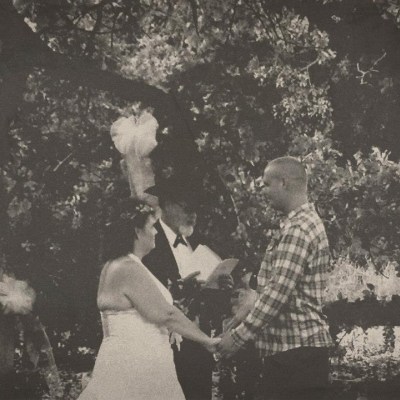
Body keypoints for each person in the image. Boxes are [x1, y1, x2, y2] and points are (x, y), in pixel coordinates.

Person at [78, 199, 220, 400]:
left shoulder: (120, 264)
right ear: (137, 231)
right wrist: (206, 341)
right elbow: (166, 314)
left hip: (138, 361)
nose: (156, 232)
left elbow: (149, 308)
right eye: (152, 226)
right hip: (135, 366)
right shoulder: (127, 267)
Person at [217, 156, 333, 400]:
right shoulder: (298, 225)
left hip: (297, 357)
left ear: (284, 182)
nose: (263, 191)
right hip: (293, 355)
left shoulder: (298, 229)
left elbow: (277, 294)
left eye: (266, 184)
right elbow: (276, 288)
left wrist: (237, 338)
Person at [143, 177, 233, 400]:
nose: (193, 215)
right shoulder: (148, 240)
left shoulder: (197, 240)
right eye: (187, 208)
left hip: (199, 343)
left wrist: (222, 287)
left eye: (196, 209)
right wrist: (180, 291)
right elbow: (144, 295)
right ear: (166, 205)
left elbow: (208, 297)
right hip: (164, 343)